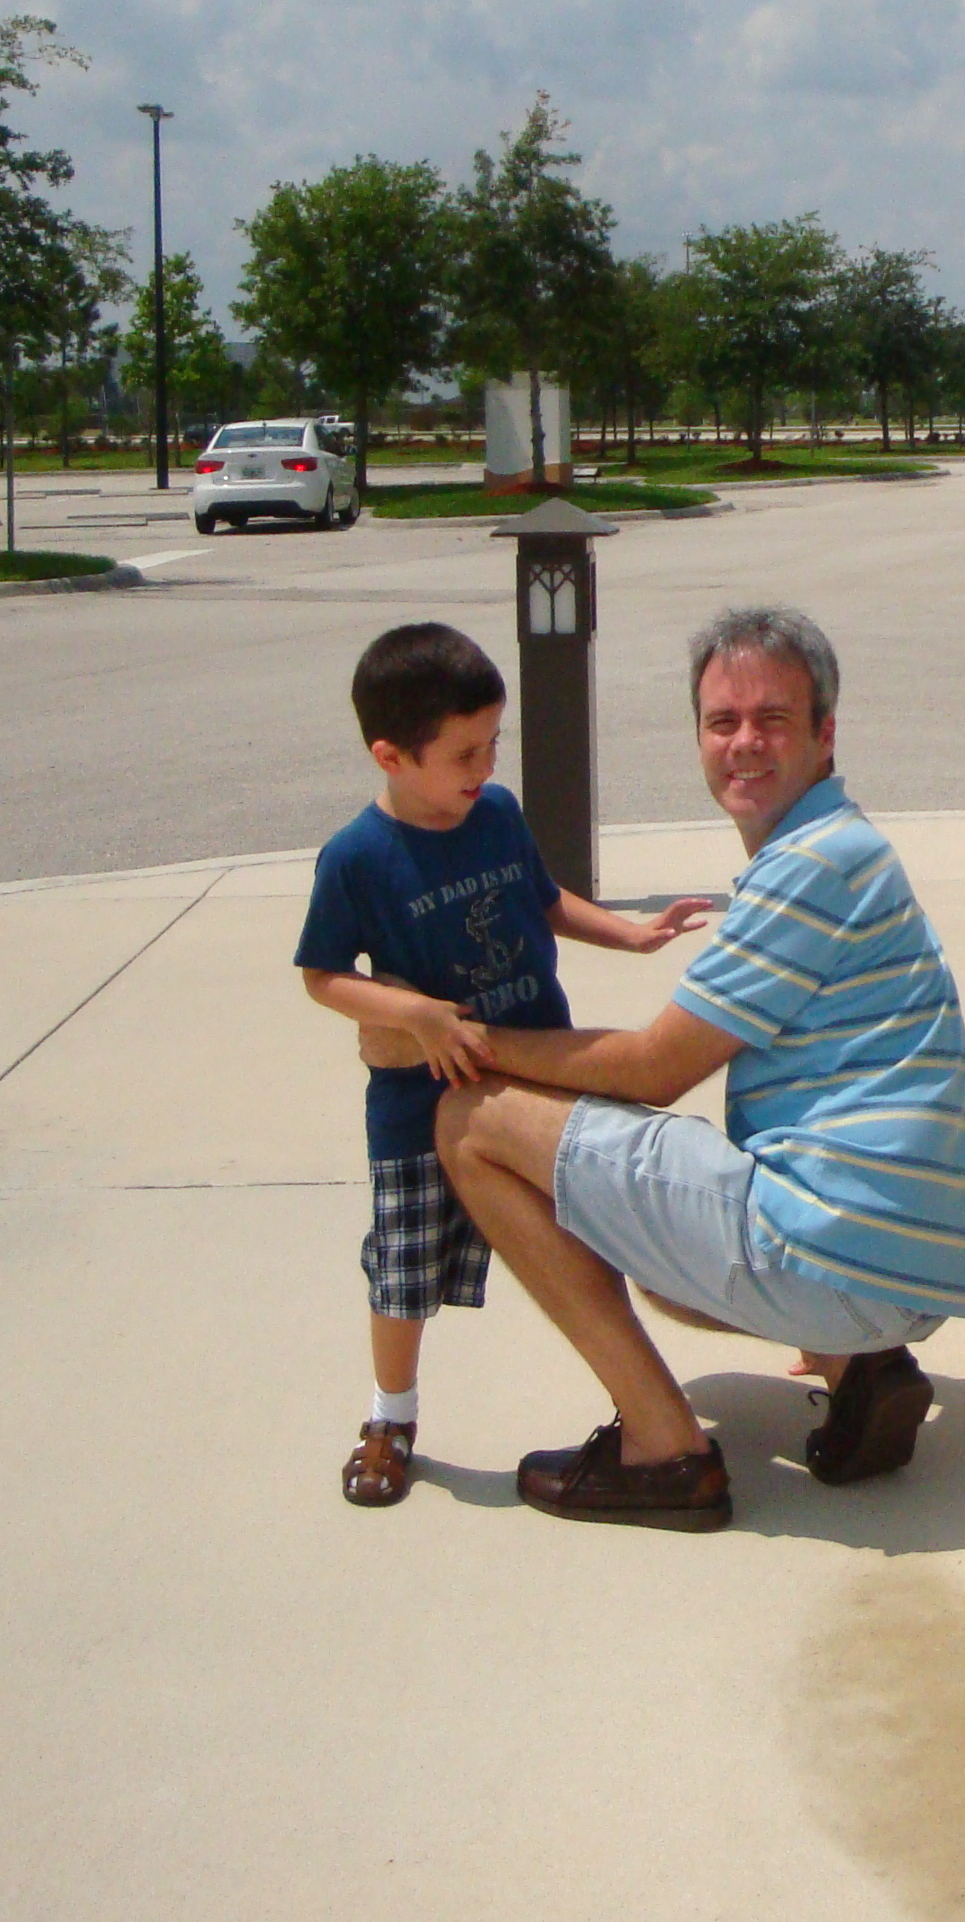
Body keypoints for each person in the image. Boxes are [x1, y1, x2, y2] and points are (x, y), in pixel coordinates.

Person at [435, 604, 965, 1533]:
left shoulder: (811, 866)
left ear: (824, 734)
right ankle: (860, 1369)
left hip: (853, 1259)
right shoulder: (843, 846)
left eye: (773, 719)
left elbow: (653, 1067)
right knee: (657, 1263)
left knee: (472, 1122)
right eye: (722, 721)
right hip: (911, 1260)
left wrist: (456, 1037)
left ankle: (666, 1450)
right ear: (698, 736)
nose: (744, 743)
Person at [295, 622, 711, 1508]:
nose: (485, 767)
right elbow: (322, 976)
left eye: (494, 743)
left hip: (543, 1080)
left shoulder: (497, 815)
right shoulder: (356, 859)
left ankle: (636, 1402)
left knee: (592, 1244)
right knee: (404, 1271)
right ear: (390, 756)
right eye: (464, 753)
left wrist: (630, 934)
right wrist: (413, 1014)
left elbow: (543, 900)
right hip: (417, 1105)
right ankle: (390, 1418)